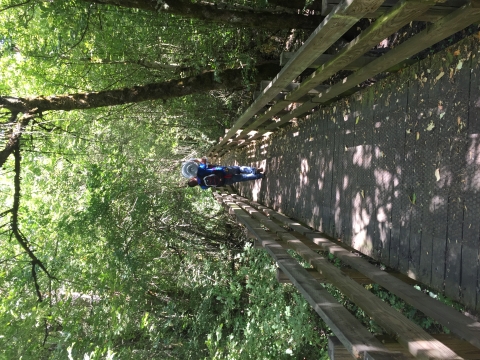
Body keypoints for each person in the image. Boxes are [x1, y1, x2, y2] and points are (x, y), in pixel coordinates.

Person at [187, 158, 264, 189]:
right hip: (223, 171)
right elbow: (203, 160)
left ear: (195, 185)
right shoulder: (200, 171)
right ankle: (254, 170)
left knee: (242, 177)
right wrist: (195, 160)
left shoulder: (203, 187)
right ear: (192, 178)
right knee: (239, 169)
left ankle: (259, 176)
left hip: (224, 181)